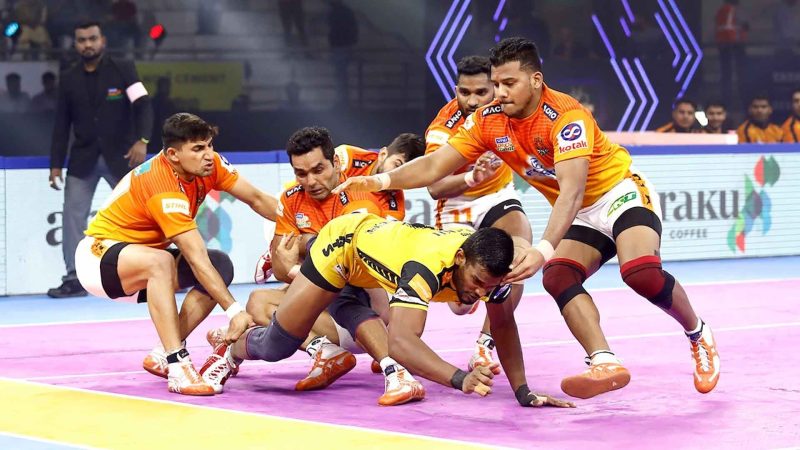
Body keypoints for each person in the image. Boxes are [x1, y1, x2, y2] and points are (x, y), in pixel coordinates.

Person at [336, 37, 721, 400]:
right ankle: (604, 361)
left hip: (620, 194)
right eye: (496, 84)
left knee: (639, 272)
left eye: (509, 84)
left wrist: (544, 248)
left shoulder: (567, 116)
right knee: (558, 277)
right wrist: (380, 180)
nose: (500, 93)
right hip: (582, 213)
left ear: (535, 80)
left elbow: (571, 192)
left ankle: (698, 333)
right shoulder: (488, 120)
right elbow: (435, 165)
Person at [207, 213, 573, 408]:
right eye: (476, 282)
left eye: (487, 288)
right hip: (342, 248)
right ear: (460, 258)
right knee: (277, 346)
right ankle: (232, 347)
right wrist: (459, 378)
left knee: (359, 311)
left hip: (374, 265)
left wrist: (523, 391)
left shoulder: (492, 271)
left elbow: (503, 326)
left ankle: (306, 270)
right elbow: (399, 343)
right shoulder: (426, 267)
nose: (479, 294)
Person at [74, 112, 278, 396]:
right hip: (98, 259)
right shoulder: (161, 184)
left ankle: (162, 354)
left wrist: (304, 224)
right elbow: (194, 256)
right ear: (173, 155)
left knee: (219, 265)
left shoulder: (210, 165)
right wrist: (235, 312)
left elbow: (257, 199)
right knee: (163, 262)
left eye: (209, 145)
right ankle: (177, 366)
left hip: (142, 260)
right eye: (198, 149)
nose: (208, 155)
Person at [239, 128, 427, 405]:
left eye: (319, 170)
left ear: (336, 163)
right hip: (333, 316)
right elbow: (280, 267)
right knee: (258, 301)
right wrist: (289, 266)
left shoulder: (363, 197)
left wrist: (301, 254)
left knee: (334, 264)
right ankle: (325, 351)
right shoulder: (291, 199)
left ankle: (396, 369)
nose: (311, 181)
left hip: (375, 311)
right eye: (301, 173)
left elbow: (350, 267)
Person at [424, 55, 532, 376]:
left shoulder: (508, 108)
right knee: (459, 305)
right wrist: (473, 176)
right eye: (464, 92)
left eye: (481, 92)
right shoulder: (442, 130)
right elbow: (435, 188)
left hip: (496, 196)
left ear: (495, 88)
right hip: (456, 205)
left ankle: (485, 346)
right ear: (455, 90)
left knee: (518, 258)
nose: (472, 101)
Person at [48, 22, 153, 298]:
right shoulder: (69, 78)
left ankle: (154, 271)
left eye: (92, 38)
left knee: (141, 215)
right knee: (73, 217)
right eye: (82, 40)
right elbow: (61, 124)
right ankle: (74, 278)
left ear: (102, 40)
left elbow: (143, 105)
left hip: (122, 157)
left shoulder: (123, 69)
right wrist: (55, 163)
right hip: (83, 159)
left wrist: (142, 140)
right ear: (75, 44)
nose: (88, 44)